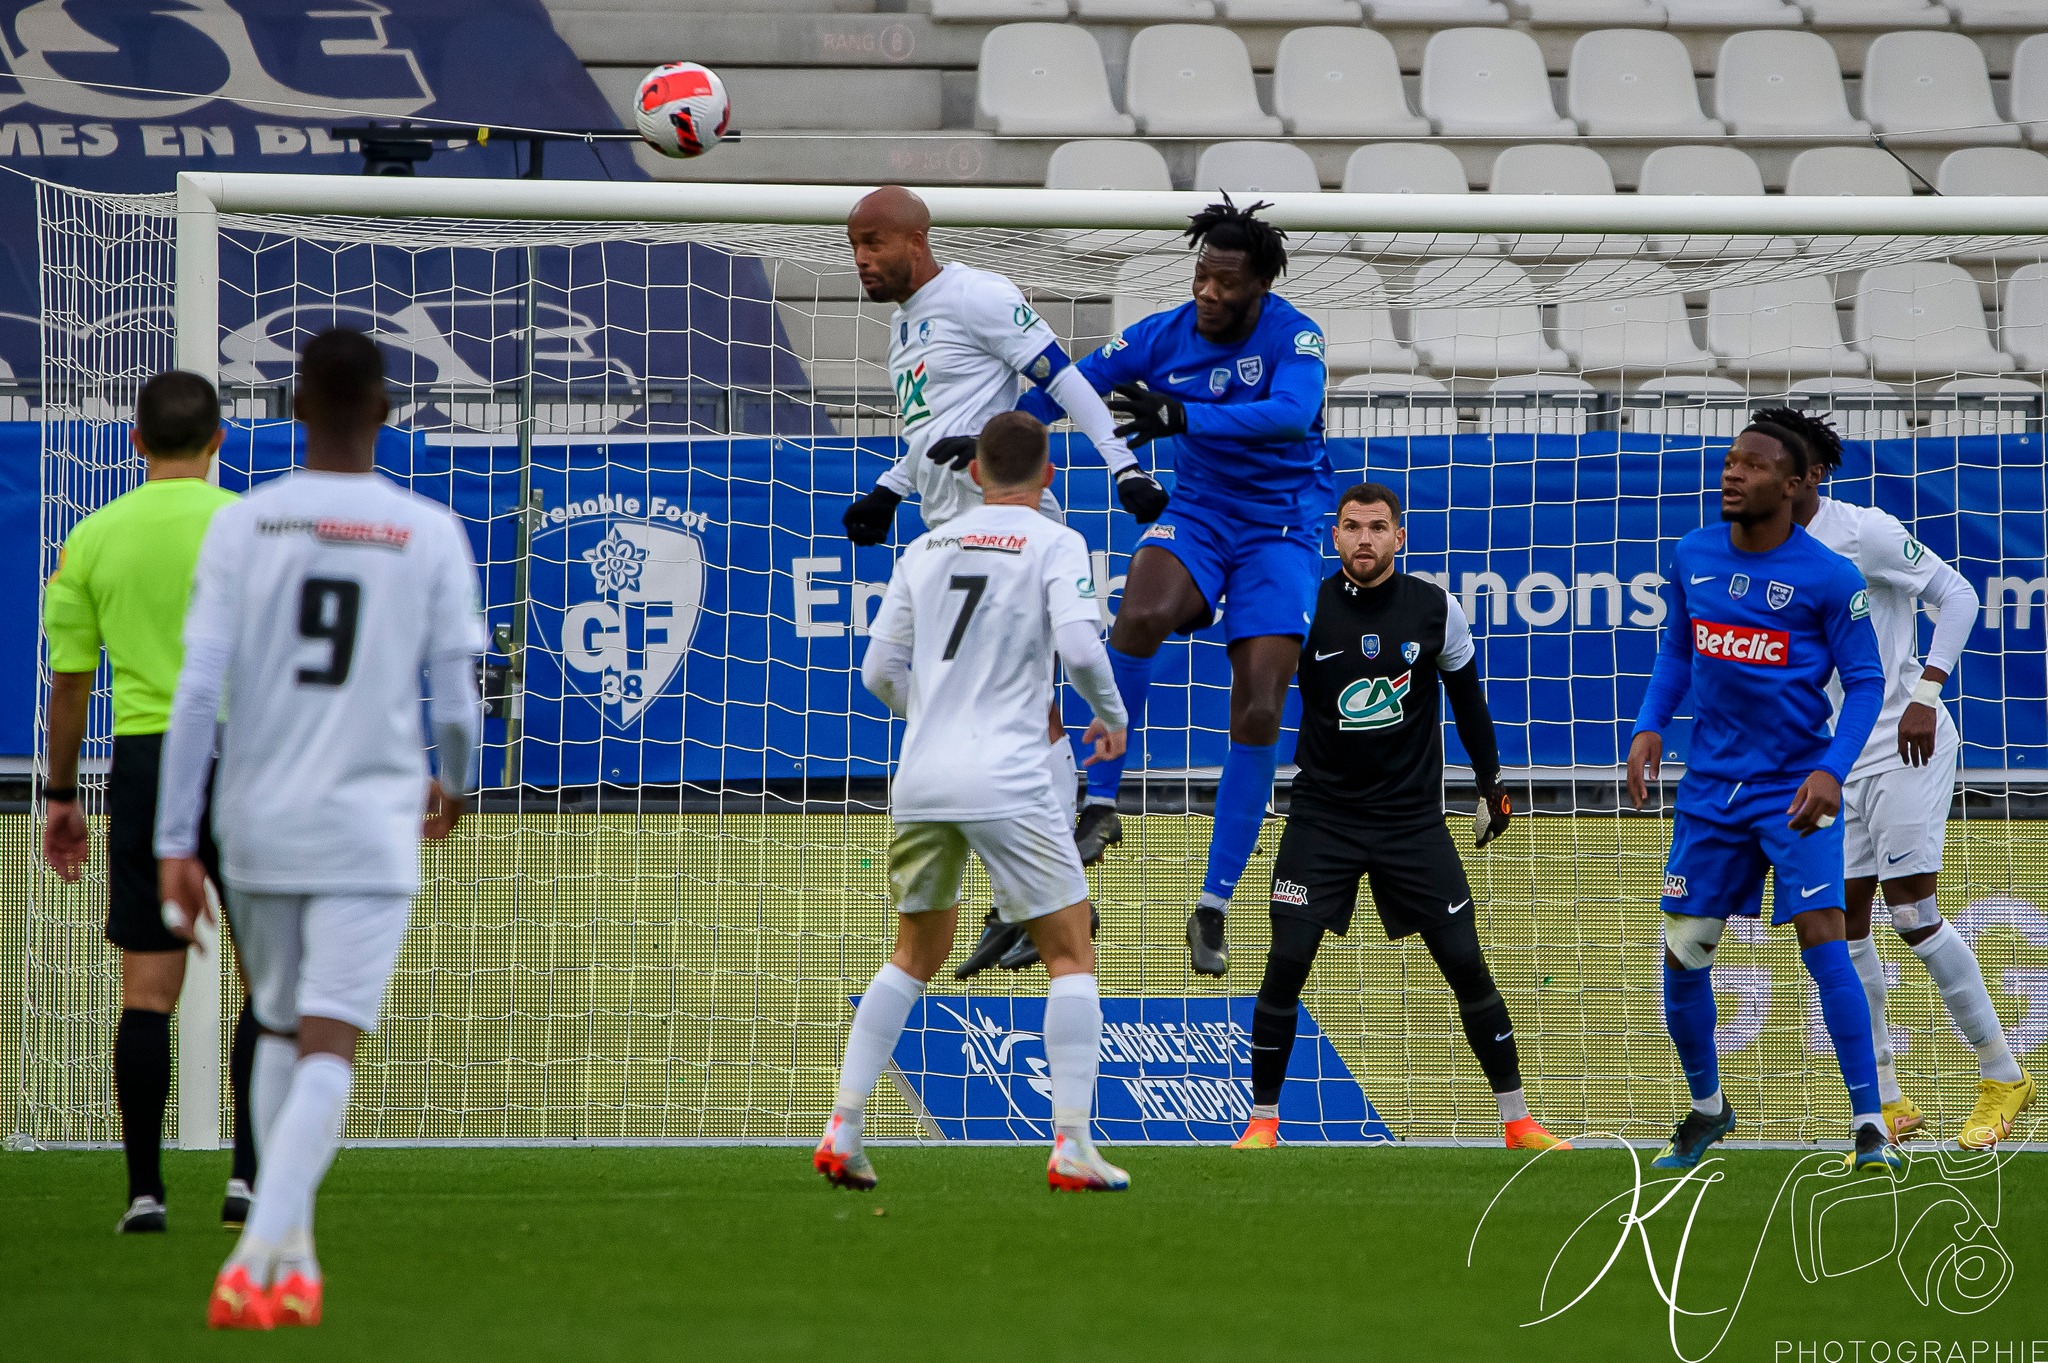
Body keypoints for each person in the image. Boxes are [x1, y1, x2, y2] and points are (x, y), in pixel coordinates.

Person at [156, 328, 486, 1329]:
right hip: (367, 822)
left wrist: (176, 836)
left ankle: (290, 1254)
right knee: (328, 1042)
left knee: (279, 1024)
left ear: (291, 410)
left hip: (253, 818)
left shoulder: (243, 525)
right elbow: (461, 705)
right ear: (385, 412)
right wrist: (460, 785)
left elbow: (197, 687)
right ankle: (258, 1252)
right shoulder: (427, 531)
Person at [839, 185, 1167, 980]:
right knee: (898, 678)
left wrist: (1123, 465)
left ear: (915, 241)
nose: (861, 261)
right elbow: (938, 426)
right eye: (854, 247)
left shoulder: (981, 295)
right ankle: (1038, 896)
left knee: (1032, 708)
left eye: (873, 244)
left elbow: (1063, 380)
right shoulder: (905, 322)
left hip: (1012, 527)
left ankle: (1048, 898)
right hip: (943, 534)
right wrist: (892, 485)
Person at [816, 412, 1131, 1193]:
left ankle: (843, 1126)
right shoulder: (1055, 542)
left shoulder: (925, 547)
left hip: (921, 774)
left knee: (913, 952)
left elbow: (878, 672)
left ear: (975, 472)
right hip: (1010, 774)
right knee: (1070, 950)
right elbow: (1086, 647)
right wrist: (1114, 717)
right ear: (1049, 475)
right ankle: (1071, 1142)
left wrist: (935, 712)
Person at [1018, 195, 1331, 977]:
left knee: (1260, 702)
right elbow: (1073, 383)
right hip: (1198, 515)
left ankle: (1214, 904)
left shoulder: (1294, 334)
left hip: (1282, 527)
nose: (1208, 294)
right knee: (1139, 614)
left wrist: (1183, 417)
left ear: (1259, 286)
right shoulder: (1161, 334)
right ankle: (1101, 801)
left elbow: (1295, 414)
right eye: (1201, 277)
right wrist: (1004, 428)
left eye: (1226, 283)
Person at [1229, 484, 1566, 1152]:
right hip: (1321, 816)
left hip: (1411, 822)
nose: (1364, 539)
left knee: (1466, 962)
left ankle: (1518, 1120)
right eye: (1352, 527)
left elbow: (1470, 701)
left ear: (1400, 538)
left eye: (1378, 527)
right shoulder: (1306, 604)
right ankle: (1263, 1121)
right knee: (1286, 962)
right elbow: (1258, 690)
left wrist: (1491, 782)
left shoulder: (1436, 608)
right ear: (1334, 537)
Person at [1627, 412, 1894, 1174]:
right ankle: (1709, 1109)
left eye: (1750, 464)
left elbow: (1869, 681)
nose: (1732, 474)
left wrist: (1830, 770)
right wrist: (1651, 725)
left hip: (1792, 789)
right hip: (1710, 790)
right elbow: (1677, 648)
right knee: (1684, 951)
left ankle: (1870, 1123)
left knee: (1825, 939)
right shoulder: (1693, 554)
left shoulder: (1829, 577)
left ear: (1793, 482)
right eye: (1729, 461)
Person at [39, 370, 259, 1233]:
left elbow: (69, 685)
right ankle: (246, 1178)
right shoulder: (253, 528)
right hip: (247, 755)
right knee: (265, 982)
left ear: (134, 443)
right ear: (219, 442)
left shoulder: (92, 538)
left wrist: (61, 792)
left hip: (144, 760)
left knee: (147, 989)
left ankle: (145, 1191)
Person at [1784, 409, 2035, 1148]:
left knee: (1912, 913)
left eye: (1772, 467)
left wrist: (1926, 694)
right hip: (1833, 762)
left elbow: (1957, 594)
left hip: (1903, 743)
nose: (1754, 476)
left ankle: (2003, 1074)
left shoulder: (1863, 530)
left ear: (1811, 476)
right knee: (1842, 924)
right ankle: (1889, 1097)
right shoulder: (1757, 553)